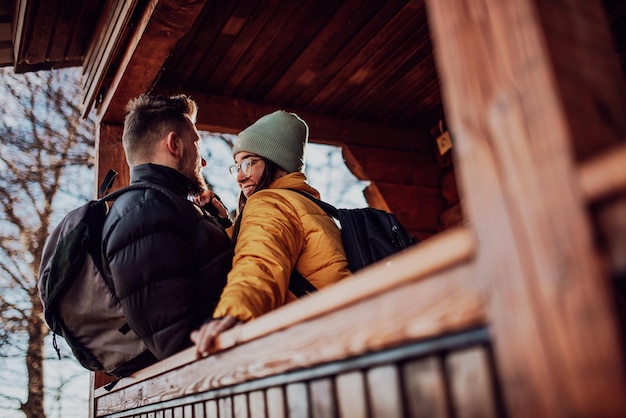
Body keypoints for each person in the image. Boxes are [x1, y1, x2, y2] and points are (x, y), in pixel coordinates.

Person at [191, 110, 351, 357]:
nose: (240, 177)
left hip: (311, 347)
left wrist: (234, 313)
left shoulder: (269, 202)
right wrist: (224, 224)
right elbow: (264, 243)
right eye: (236, 166)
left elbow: (261, 260)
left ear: (278, 163)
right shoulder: (305, 204)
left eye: (249, 163)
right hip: (339, 334)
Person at [101, 94, 233, 376]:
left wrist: (218, 223)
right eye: (196, 143)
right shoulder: (146, 211)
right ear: (174, 144)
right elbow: (177, 344)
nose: (203, 161)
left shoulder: (162, 206)